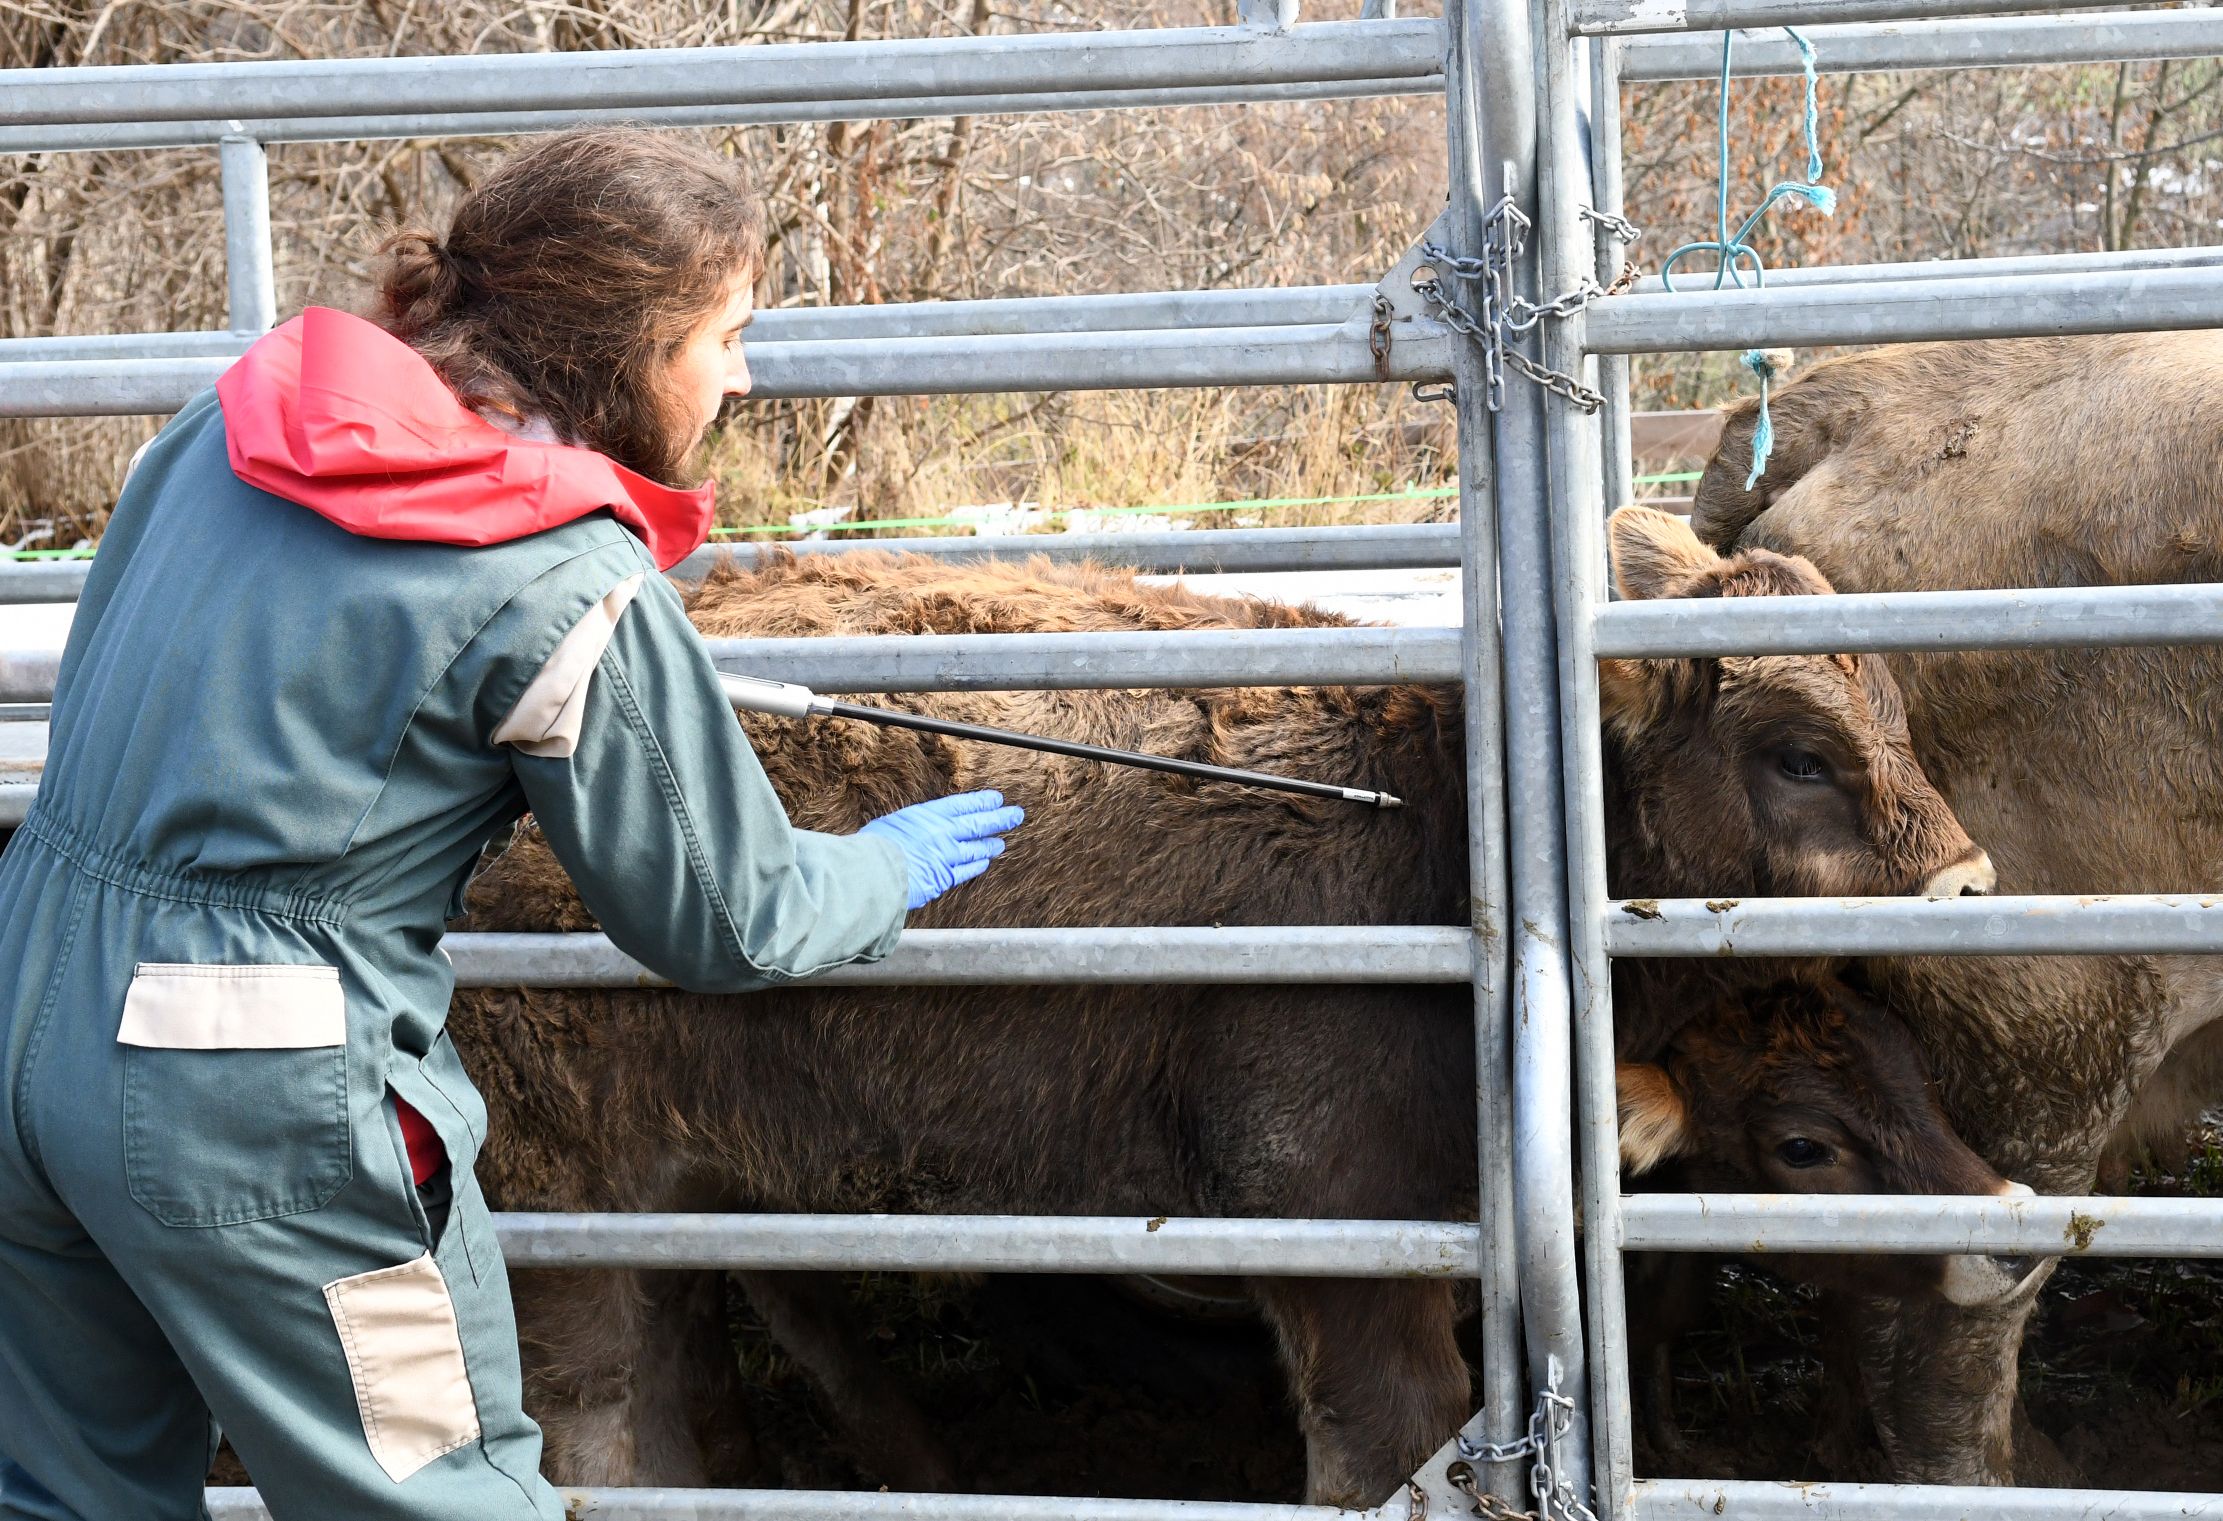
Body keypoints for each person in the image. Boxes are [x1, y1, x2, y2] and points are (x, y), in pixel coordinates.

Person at [0, 128, 1023, 1520]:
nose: (742, 376)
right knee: (440, 1492)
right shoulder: (561, 571)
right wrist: (879, 870)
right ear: (629, 347)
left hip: (25, 1002)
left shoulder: (233, 421)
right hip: (251, 1097)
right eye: (727, 337)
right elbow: (727, 914)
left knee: (67, 1497)